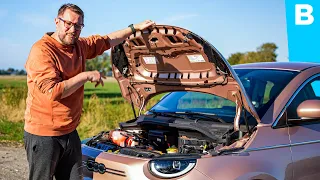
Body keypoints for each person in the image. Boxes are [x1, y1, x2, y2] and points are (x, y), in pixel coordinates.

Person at [23, 3, 155, 180]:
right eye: (68, 23)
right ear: (57, 21)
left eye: (78, 26)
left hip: (69, 131)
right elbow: (52, 92)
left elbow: (108, 40)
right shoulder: (42, 50)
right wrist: (85, 76)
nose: (73, 30)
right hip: (44, 134)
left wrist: (134, 28)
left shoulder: (80, 45)